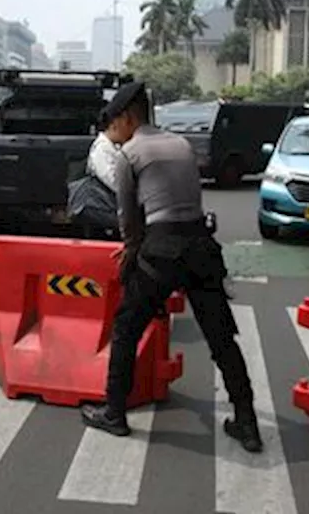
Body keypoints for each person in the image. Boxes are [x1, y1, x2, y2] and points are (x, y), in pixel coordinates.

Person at [80, 81, 262, 454]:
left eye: (116, 123)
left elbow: (128, 217)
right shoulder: (180, 144)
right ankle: (247, 423)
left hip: (160, 252)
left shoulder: (129, 153)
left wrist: (131, 249)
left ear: (128, 118)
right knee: (221, 338)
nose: (114, 131)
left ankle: (114, 413)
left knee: (127, 327)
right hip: (202, 249)